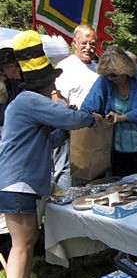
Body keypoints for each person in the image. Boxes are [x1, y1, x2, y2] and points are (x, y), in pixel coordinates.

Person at [0, 31, 101, 278]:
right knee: (22, 243)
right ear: (45, 84)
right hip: (18, 181)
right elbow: (70, 118)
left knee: (25, 241)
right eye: (52, 85)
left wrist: (66, 131)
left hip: (17, 180)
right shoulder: (30, 101)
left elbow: (50, 138)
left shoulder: (26, 104)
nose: (54, 89)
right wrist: (90, 118)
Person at [81, 46, 137, 177]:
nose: (110, 79)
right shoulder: (104, 81)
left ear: (125, 70)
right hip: (116, 152)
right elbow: (86, 108)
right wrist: (94, 115)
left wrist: (123, 117)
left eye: (114, 75)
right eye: (107, 75)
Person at [52, 24, 99, 188]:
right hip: (69, 134)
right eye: (84, 43)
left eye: (92, 43)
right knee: (67, 181)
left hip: (94, 133)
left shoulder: (97, 68)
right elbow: (55, 97)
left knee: (91, 181)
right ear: (74, 43)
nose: (88, 47)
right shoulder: (65, 67)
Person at [0, 47, 22, 128]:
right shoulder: (8, 84)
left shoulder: (22, 85)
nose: (2, 73)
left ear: (12, 66)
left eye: (2, 69)